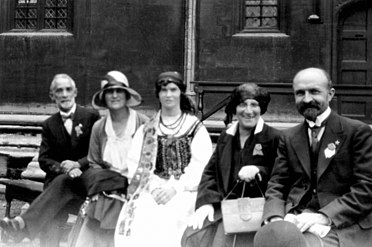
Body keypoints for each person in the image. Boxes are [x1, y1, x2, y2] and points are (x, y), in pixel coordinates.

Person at [254, 68, 372, 247]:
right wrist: (275, 217)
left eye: (314, 91)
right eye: (300, 93)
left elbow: (367, 189)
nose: (307, 99)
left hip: (343, 224)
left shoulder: (356, 132)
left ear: (330, 94)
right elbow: (277, 184)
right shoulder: (289, 137)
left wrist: (323, 216)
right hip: (297, 219)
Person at [114, 71, 213, 247]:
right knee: (141, 214)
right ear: (158, 94)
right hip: (152, 188)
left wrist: (175, 189)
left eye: (173, 89)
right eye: (164, 90)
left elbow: (201, 166)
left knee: (173, 215)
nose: (168, 95)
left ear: (180, 92)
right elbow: (135, 163)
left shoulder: (195, 127)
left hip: (185, 190)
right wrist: (153, 188)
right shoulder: (147, 129)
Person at [0, 73, 100, 247]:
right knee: (52, 214)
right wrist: (63, 169)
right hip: (58, 188)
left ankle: (20, 225)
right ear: (52, 96)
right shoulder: (49, 124)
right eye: (59, 91)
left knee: (54, 198)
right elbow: (45, 159)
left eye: (68, 89)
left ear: (75, 92)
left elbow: (98, 150)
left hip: (86, 184)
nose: (64, 94)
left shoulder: (91, 117)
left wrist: (78, 165)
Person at [182, 83, 281, 247]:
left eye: (254, 105)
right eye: (243, 104)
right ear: (235, 108)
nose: (248, 111)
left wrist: (259, 170)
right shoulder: (225, 137)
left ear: (261, 108)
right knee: (192, 237)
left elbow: (282, 176)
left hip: (258, 213)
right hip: (226, 209)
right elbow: (211, 173)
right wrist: (206, 202)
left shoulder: (274, 137)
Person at [72, 70, 149, 247]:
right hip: (106, 185)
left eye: (119, 91)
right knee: (96, 214)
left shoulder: (143, 124)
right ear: (104, 97)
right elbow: (94, 161)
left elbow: (150, 160)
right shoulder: (99, 127)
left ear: (126, 94)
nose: (114, 96)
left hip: (136, 185)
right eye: (109, 92)